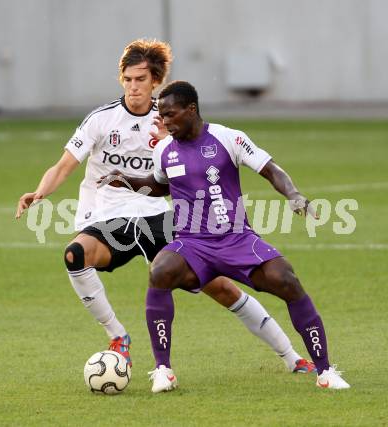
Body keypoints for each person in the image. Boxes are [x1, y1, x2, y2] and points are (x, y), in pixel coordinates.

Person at [16, 39, 314, 374]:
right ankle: (118, 338)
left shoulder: (171, 117)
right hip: (109, 215)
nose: (133, 87)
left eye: (140, 80)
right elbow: (63, 166)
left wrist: (168, 142)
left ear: (155, 80)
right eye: (127, 80)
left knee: (220, 287)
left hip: (160, 214)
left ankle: (292, 357)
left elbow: (195, 163)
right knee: (75, 255)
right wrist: (39, 192)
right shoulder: (101, 120)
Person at [99, 79, 351, 392]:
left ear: (191, 110)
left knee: (287, 280)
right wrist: (127, 180)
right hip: (193, 245)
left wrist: (294, 194)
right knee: (161, 271)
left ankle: (325, 371)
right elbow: (161, 183)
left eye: (171, 114)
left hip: (237, 240)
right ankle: (163, 369)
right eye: (161, 116)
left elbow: (270, 169)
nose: (164, 122)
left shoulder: (228, 137)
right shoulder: (164, 149)